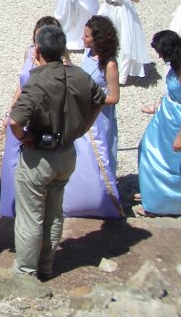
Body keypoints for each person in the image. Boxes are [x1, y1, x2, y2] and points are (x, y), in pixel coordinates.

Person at [8, 25, 105, 279]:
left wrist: (24, 137)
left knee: (30, 216)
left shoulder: (38, 80)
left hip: (39, 154)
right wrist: (83, 126)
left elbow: (15, 120)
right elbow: (99, 99)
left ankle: (26, 272)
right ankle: (46, 266)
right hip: (66, 152)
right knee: (54, 212)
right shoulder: (80, 75)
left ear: (38, 49)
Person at [0, 16, 64, 218]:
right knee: (11, 165)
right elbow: (21, 83)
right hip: (21, 114)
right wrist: (10, 110)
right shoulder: (29, 52)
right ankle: (11, 207)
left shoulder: (61, 63)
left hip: (39, 119)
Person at [62, 15, 122, 218]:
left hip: (99, 118)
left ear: (98, 39)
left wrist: (89, 97)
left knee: (100, 159)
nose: (83, 38)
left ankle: (103, 200)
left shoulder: (110, 64)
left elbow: (114, 97)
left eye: (87, 36)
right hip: (83, 113)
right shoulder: (89, 54)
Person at [137, 30, 181, 216]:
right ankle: (152, 193)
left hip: (179, 119)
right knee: (147, 149)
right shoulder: (175, 63)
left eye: (160, 51)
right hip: (166, 114)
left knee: (172, 163)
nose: (158, 55)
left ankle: (162, 205)